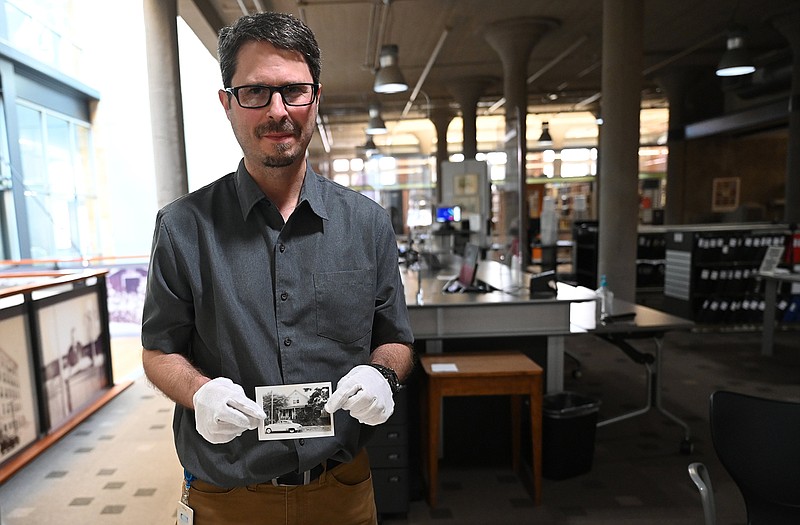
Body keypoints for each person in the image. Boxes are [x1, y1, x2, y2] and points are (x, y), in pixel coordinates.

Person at [140, 11, 415, 525]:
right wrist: (198, 392)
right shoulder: (182, 228)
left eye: (294, 91)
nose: (277, 111)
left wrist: (383, 375)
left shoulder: (367, 224)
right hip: (227, 497)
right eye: (255, 93)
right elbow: (159, 350)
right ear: (227, 103)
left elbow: (395, 337)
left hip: (342, 490)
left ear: (317, 98)